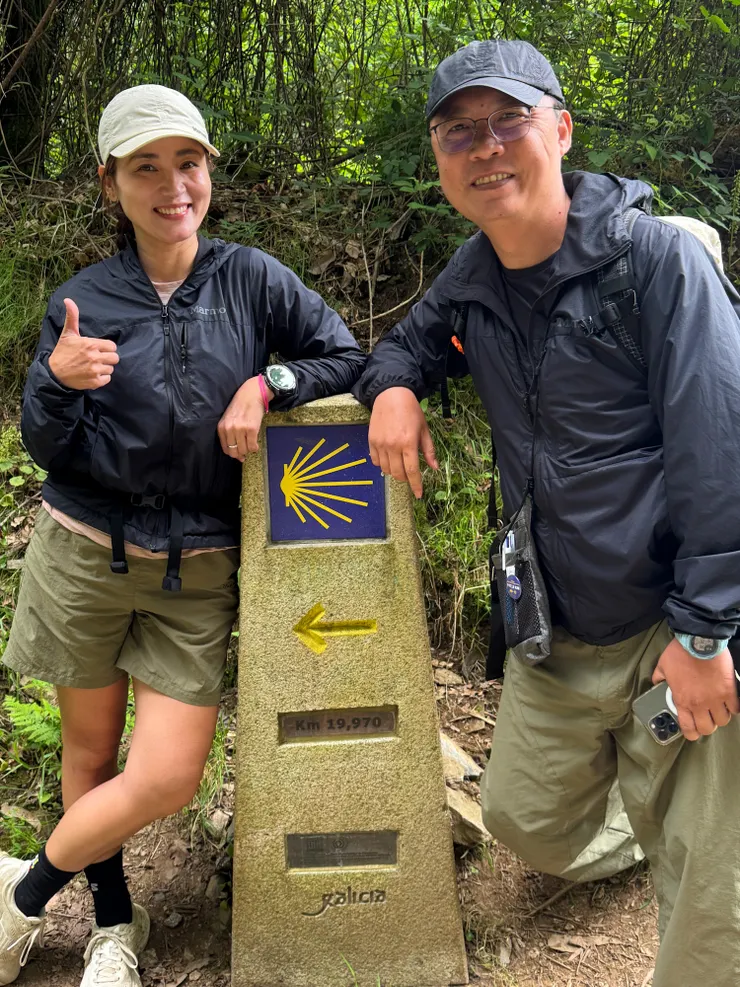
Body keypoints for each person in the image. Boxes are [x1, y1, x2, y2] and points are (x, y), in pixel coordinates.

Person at [355, 39, 740, 987]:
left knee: (713, 896)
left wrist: (703, 634)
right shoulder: (475, 279)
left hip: (669, 622)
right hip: (558, 627)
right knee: (525, 818)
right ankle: (650, 825)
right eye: (459, 132)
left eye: (509, 121)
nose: (486, 148)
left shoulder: (658, 263)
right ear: (441, 162)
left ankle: (687, 837)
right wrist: (395, 387)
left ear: (560, 130)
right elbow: (402, 343)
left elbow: (721, 451)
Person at [0, 84, 365, 987]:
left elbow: (347, 354)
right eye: (146, 167)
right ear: (111, 182)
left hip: (196, 568)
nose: (173, 186)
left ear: (209, 171)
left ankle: (20, 897)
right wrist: (56, 379)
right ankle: (115, 927)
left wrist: (266, 382)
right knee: (88, 758)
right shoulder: (82, 301)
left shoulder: (251, 279)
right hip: (85, 552)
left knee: (166, 774)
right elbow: (48, 445)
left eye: (188, 163)